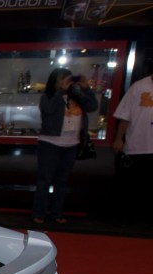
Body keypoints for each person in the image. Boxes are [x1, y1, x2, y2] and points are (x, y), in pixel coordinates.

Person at [31, 68, 98, 224]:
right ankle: (38, 213)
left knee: (62, 181)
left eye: (69, 79)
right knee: (44, 180)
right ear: (55, 81)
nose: (67, 82)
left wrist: (85, 88)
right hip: (50, 143)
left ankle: (56, 213)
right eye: (63, 79)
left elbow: (92, 106)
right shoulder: (49, 97)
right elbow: (48, 110)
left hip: (71, 144)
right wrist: (60, 92)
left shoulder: (78, 96)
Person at [111, 70, 153, 228]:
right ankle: (127, 219)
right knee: (131, 186)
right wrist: (118, 139)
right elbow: (124, 115)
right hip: (137, 144)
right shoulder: (139, 86)